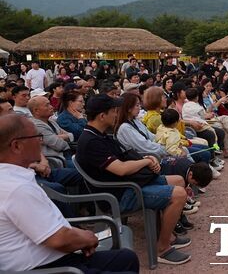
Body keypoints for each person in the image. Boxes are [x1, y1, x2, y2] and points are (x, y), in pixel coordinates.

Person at [0, 114, 140, 273]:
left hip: (57, 256)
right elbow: (58, 239)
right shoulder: (16, 188)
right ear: (16, 146)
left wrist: (78, 238)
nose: (41, 141)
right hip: (47, 267)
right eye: (36, 136)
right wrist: (86, 238)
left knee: (126, 258)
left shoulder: (14, 178)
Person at [75, 94, 192, 265]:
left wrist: (148, 159)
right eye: (114, 111)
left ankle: (169, 235)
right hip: (119, 194)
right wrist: (146, 160)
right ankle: (163, 248)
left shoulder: (100, 135)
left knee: (178, 180)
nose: (117, 114)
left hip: (128, 185)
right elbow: (121, 169)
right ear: (102, 115)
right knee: (179, 194)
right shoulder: (91, 141)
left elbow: (124, 157)